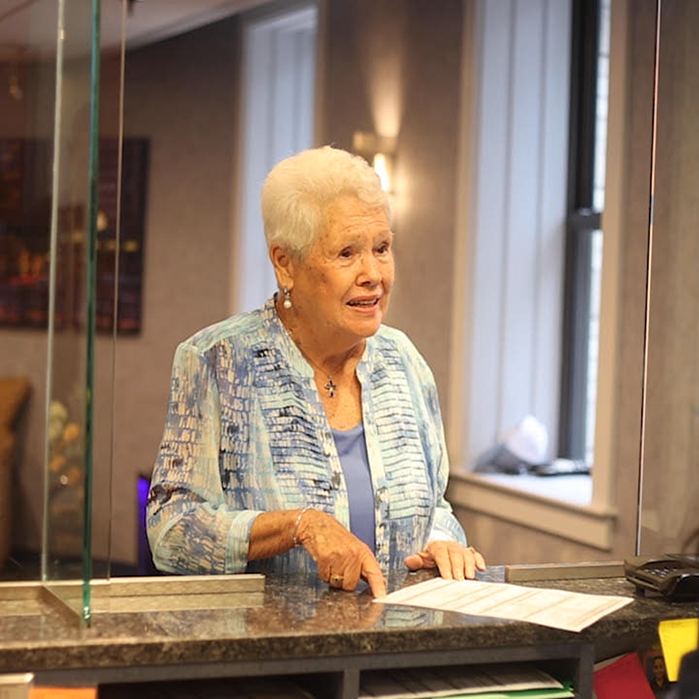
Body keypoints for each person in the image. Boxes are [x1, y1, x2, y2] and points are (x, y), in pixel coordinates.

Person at [147, 145, 485, 598]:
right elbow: (171, 532)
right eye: (346, 254)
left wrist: (443, 542)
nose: (373, 274)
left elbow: (434, 509)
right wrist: (299, 526)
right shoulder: (218, 360)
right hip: (270, 654)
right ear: (285, 263)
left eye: (382, 249)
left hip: (394, 647)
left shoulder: (404, 361)